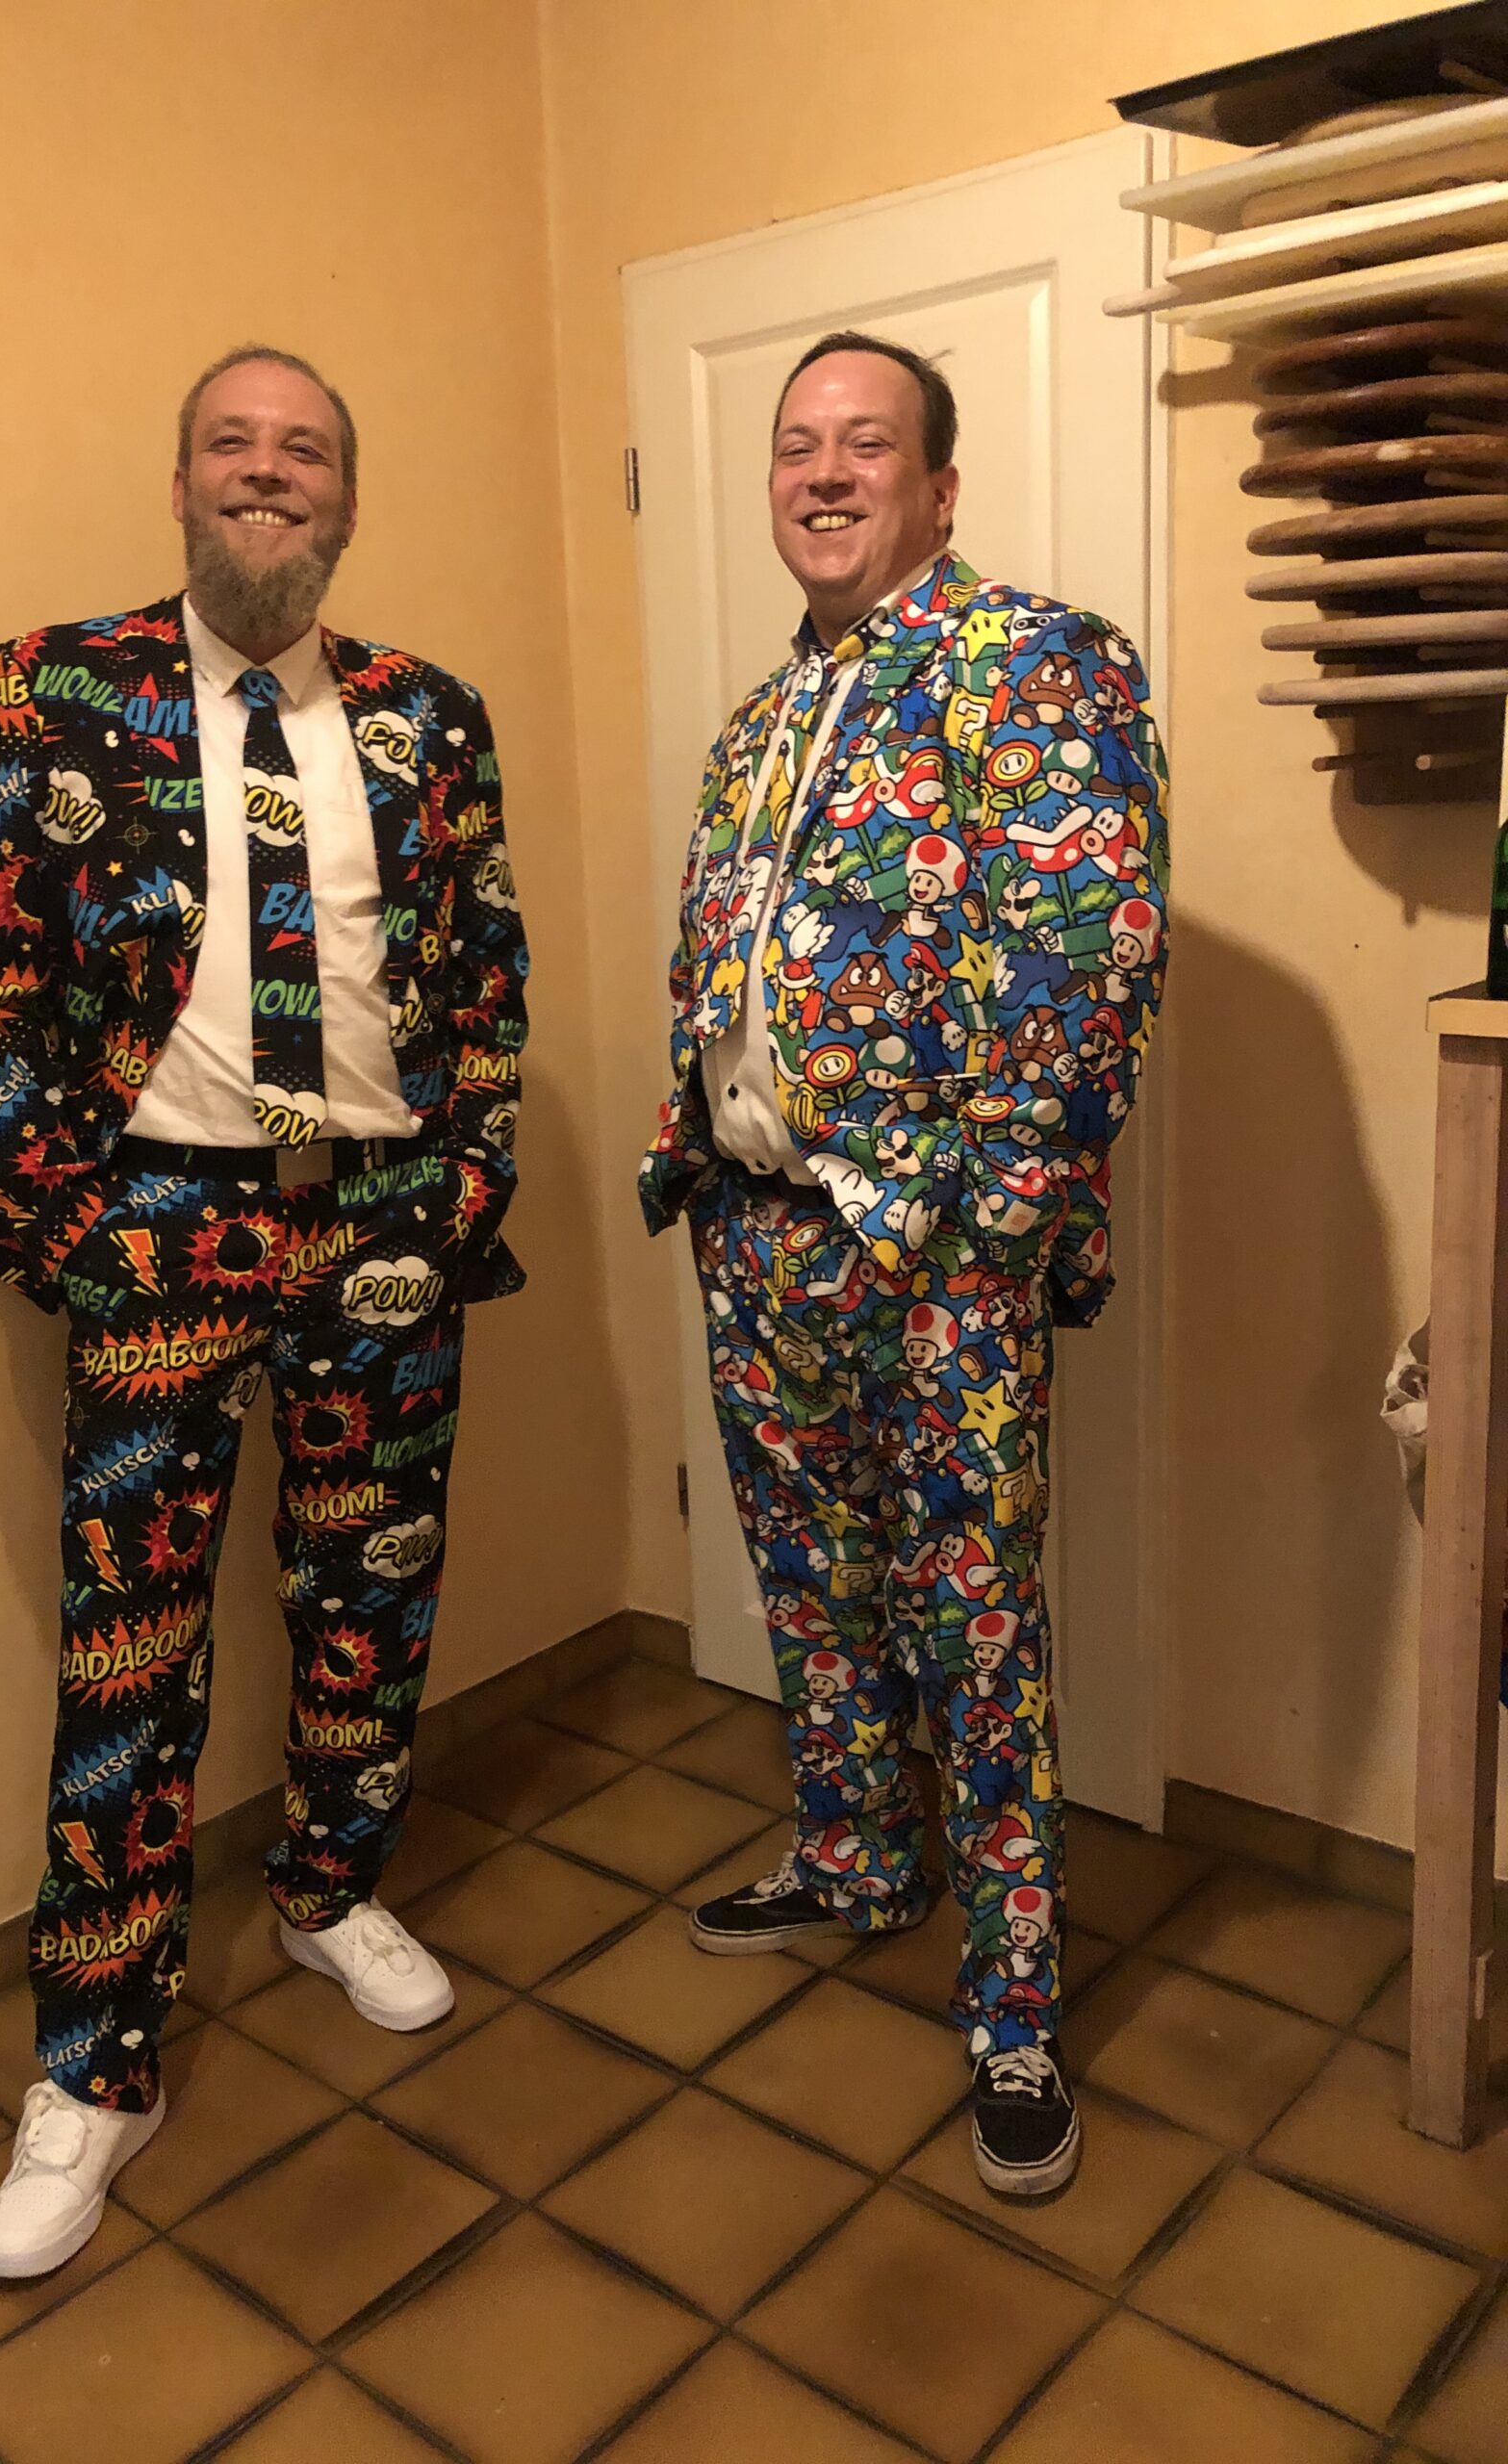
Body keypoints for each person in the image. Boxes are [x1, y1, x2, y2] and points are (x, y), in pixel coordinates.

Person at [0, 345, 527, 2274]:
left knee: (374, 1590)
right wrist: (71, 1224)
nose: (269, 474)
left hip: (380, 1219)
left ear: (346, 500)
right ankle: (95, 2064)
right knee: (133, 1653)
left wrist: (463, 1185)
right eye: (233, 444)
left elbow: (485, 974)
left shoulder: (432, 716)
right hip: (162, 1227)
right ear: (182, 482)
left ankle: (330, 1886)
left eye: (307, 452)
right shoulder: (54, 689)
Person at [641, 329, 1167, 2198]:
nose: (824, 471)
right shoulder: (759, 725)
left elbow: (1092, 960)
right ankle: (859, 1853)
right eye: (798, 444)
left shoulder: (1033, 660)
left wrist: (993, 1238)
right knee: (811, 1583)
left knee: (975, 1619)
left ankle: (1013, 2003)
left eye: (867, 443)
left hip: (936, 1255)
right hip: (757, 1233)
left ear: (939, 487)